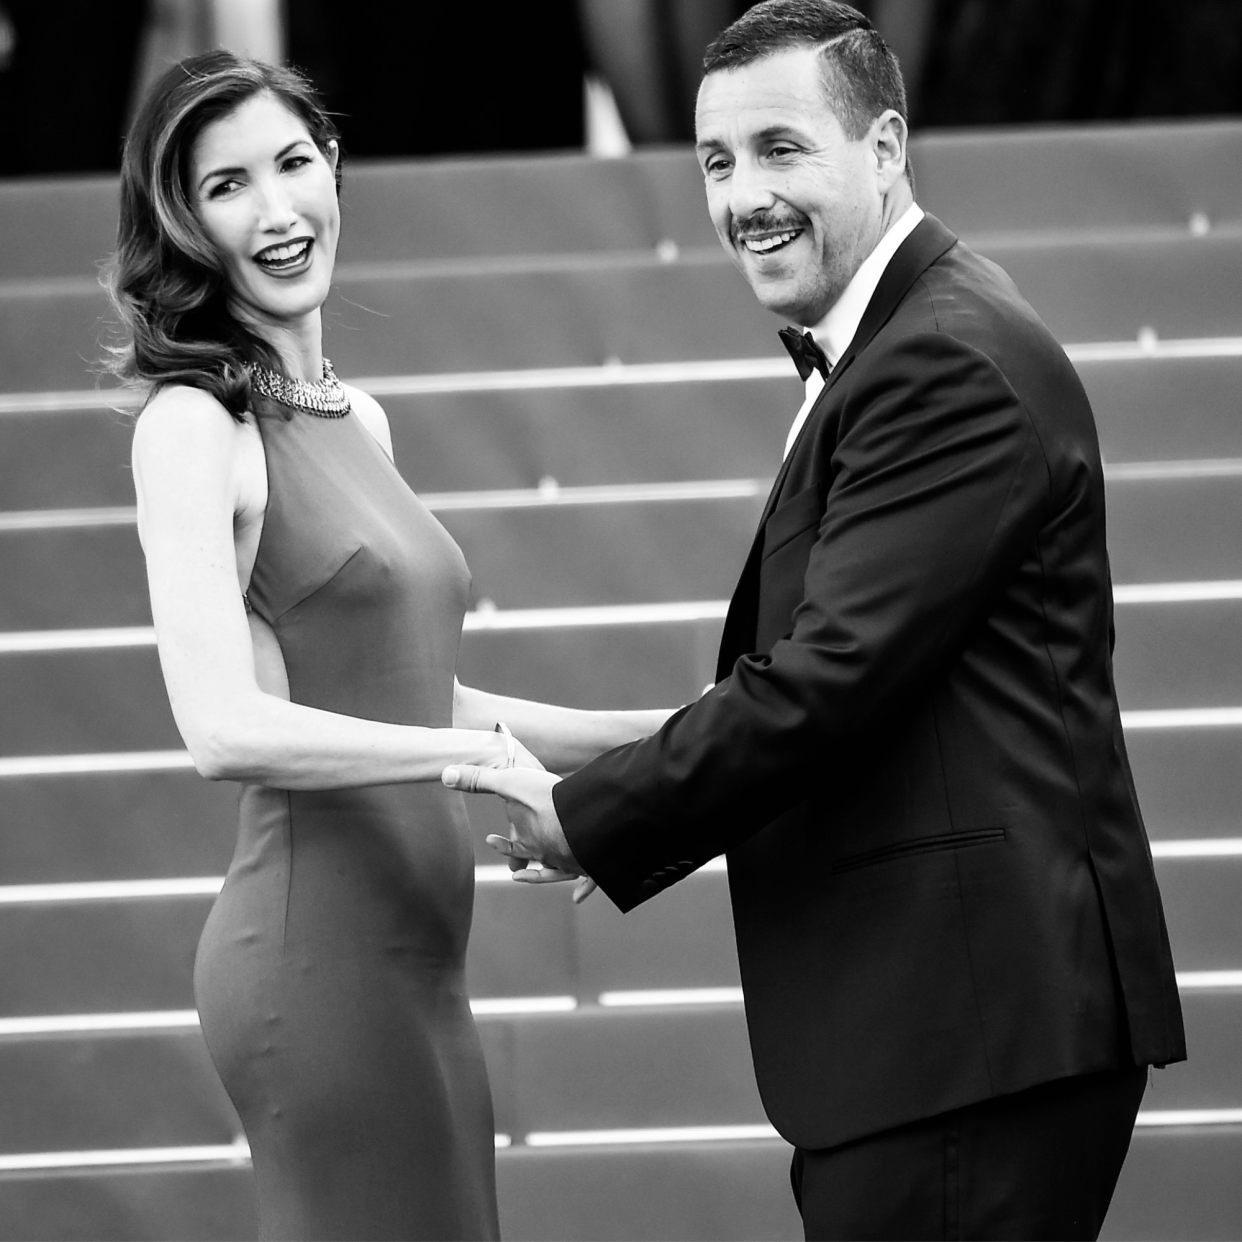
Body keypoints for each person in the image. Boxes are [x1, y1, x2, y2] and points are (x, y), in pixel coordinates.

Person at [443, 2, 1187, 1238]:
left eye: (782, 149)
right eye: (718, 163)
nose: (744, 197)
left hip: (965, 1040)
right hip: (950, 1037)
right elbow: (851, 675)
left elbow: (827, 679)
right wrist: (577, 753)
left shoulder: (939, 361)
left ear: (886, 147)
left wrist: (591, 820)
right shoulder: (905, 343)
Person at [112, 51, 665, 1240]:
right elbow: (221, 727)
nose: (277, 209)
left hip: (419, 957)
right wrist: (473, 772)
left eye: (295, 163)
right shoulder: (192, 426)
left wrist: (657, 738)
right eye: (226, 186)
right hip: (316, 954)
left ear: (335, 169)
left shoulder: (358, 420)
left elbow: (422, 691)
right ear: (180, 223)